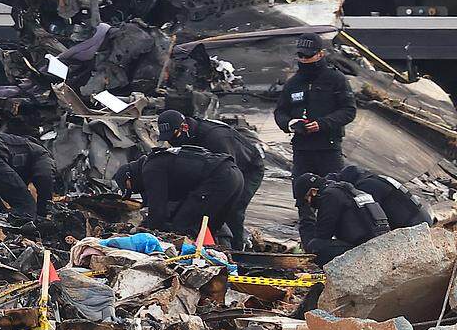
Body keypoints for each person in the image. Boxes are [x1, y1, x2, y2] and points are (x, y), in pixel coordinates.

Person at [274, 35, 357, 219]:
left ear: (320, 54)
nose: (304, 60)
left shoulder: (336, 79)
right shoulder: (293, 83)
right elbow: (280, 112)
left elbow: (348, 110)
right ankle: (308, 237)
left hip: (328, 148)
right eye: (301, 56)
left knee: (336, 194)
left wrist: (322, 124)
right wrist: (291, 124)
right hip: (303, 150)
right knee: (302, 198)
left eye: (308, 56)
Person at [160, 109, 266, 249]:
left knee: (233, 209)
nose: (172, 142)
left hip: (247, 169)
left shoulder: (216, 138)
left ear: (184, 127)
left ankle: (237, 248)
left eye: (174, 137)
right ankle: (214, 242)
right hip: (219, 169)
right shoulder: (187, 136)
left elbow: (229, 172)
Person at [117, 144, 245, 240]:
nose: (134, 190)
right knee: (209, 227)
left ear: (129, 176)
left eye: (130, 187)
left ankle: (193, 258)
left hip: (220, 178)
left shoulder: (151, 168)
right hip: (235, 175)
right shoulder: (158, 161)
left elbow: (157, 209)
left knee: (182, 225)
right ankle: (224, 256)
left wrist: (146, 233)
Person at [298, 172, 390, 265]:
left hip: (365, 251)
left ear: (313, 191)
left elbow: (322, 235)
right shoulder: (348, 190)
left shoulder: (329, 195)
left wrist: (306, 216)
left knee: (316, 246)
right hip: (381, 246)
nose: (309, 204)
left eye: (306, 200)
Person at [333, 164, 433, 231]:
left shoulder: (366, 186)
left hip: (412, 224)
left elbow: (371, 215)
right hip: (422, 216)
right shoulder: (376, 179)